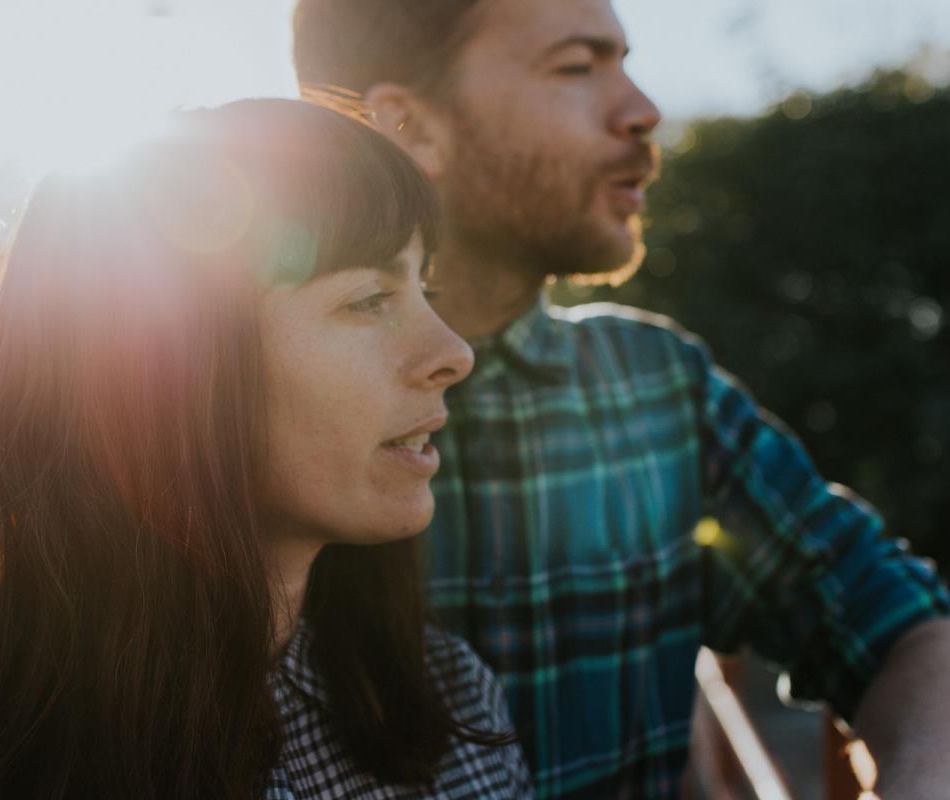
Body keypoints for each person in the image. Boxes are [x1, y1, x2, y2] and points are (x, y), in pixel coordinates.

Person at [291, 1, 950, 797]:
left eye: (625, 61)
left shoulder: (660, 385)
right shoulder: (243, 428)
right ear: (406, 126)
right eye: (577, 66)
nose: (643, 110)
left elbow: (899, 622)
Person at [0, 99, 532, 799]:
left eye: (425, 287)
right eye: (368, 300)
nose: (453, 352)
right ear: (169, 375)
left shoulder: (450, 699)